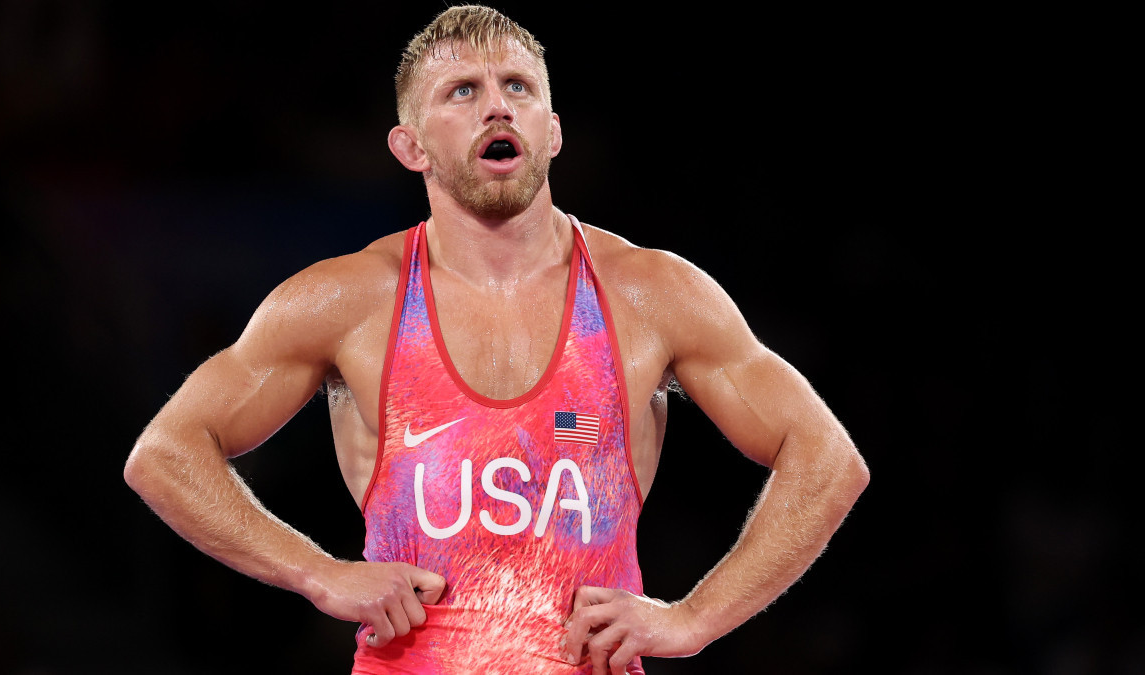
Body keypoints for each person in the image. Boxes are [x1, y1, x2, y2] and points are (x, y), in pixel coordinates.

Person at [123, 5, 870, 674]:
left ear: (552, 129)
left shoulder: (651, 293)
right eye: (463, 92)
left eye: (518, 87)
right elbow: (166, 453)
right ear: (410, 146)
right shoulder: (350, 299)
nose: (496, 107)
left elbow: (829, 459)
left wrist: (695, 619)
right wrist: (318, 571)